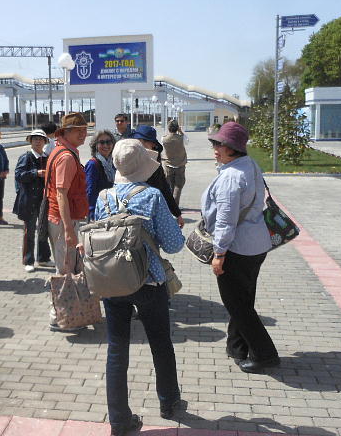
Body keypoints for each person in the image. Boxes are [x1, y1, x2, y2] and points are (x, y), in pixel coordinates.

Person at [94, 139, 185, 435]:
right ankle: (169, 402)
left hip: (112, 281)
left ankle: (119, 421)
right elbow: (174, 244)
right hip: (149, 280)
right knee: (160, 342)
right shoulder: (153, 196)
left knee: (117, 349)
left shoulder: (104, 197)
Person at [202, 122, 278, 374]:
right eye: (214, 143)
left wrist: (219, 253)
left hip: (237, 248)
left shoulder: (231, 177)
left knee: (237, 304)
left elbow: (225, 221)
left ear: (232, 148)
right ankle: (237, 346)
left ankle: (265, 354)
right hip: (257, 243)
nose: (215, 148)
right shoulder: (249, 165)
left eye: (220, 144)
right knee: (243, 297)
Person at [45, 112, 89, 332]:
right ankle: (59, 318)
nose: (83, 134)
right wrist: (69, 229)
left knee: (66, 267)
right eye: (78, 131)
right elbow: (61, 195)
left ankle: (65, 314)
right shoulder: (66, 157)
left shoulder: (62, 151)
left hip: (61, 219)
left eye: (85, 130)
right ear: (66, 132)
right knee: (65, 270)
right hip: (64, 220)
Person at [13, 129, 52, 273]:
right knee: (29, 232)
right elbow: (19, 175)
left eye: (40, 139)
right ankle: (28, 260)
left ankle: (43, 258)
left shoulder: (47, 157)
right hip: (29, 201)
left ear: (45, 142)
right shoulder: (26, 157)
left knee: (43, 230)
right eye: (35, 139)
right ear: (30, 141)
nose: (38, 141)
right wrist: (36, 173)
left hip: (43, 200)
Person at [131, 125, 184, 227]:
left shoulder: (156, 166)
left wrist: (177, 214)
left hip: (151, 214)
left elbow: (165, 189)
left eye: (143, 142)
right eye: (137, 142)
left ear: (153, 145)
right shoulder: (129, 163)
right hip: (131, 214)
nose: (139, 146)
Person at [84, 130, 116, 219]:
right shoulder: (93, 164)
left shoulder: (114, 163)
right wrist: (92, 214)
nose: (105, 145)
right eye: (102, 142)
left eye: (108, 142)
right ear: (96, 146)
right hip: (98, 212)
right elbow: (90, 191)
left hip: (112, 210)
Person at [161, 120, 188, 206]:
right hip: (180, 165)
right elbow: (187, 141)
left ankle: (169, 205)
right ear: (177, 128)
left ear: (168, 128)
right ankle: (175, 206)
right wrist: (181, 131)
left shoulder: (164, 139)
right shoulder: (181, 138)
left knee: (170, 187)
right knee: (178, 186)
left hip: (168, 165)